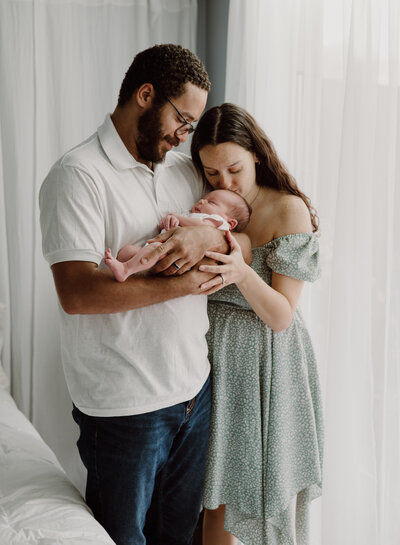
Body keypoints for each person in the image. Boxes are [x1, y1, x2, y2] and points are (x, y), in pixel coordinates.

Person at [39, 45, 251, 545]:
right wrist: (187, 281)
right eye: (183, 119)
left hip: (194, 393)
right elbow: (78, 293)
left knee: (179, 537)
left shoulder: (181, 170)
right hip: (124, 411)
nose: (185, 134)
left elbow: (244, 232)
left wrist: (211, 238)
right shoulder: (77, 176)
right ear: (145, 95)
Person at [189, 103, 324, 545]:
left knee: (254, 499)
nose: (225, 183)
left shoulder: (289, 211)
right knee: (213, 501)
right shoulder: (212, 206)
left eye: (234, 169)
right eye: (212, 174)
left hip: (268, 363)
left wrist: (240, 272)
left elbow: (282, 315)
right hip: (213, 358)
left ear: (257, 156)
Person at [104, 188, 251, 281]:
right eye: (204, 198)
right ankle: (133, 269)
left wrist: (178, 217)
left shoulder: (217, 223)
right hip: (165, 249)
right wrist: (171, 221)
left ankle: (126, 270)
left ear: (231, 223)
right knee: (126, 252)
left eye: (211, 202)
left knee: (150, 252)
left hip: (179, 256)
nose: (201, 201)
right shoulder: (191, 216)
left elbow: (202, 228)